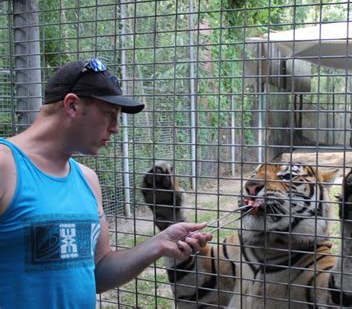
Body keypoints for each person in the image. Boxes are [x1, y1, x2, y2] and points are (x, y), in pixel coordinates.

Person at [0, 58, 212, 308]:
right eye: (109, 114)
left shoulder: (87, 179)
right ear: (72, 105)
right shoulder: (6, 166)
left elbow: (98, 271)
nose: (115, 128)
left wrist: (158, 244)